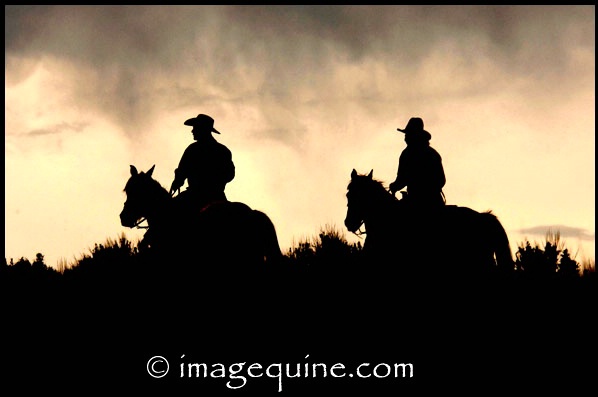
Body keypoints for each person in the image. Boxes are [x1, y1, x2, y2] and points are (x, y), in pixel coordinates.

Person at [170, 113, 235, 212]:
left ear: (201, 129)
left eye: (195, 128)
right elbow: (230, 174)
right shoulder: (223, 150)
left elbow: (182, 172)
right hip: (218, 196)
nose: (192, 131)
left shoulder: (192, 149)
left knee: (170, 213)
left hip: (194, 196)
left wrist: (176, 183)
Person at [389, 117, 446, 209]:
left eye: (408, 134)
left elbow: (402, 178)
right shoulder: (433, 153)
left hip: (415, 200)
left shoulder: (407, 154)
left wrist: (394, 186)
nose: (406, 137)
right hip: (435, 200)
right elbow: (441, 180)